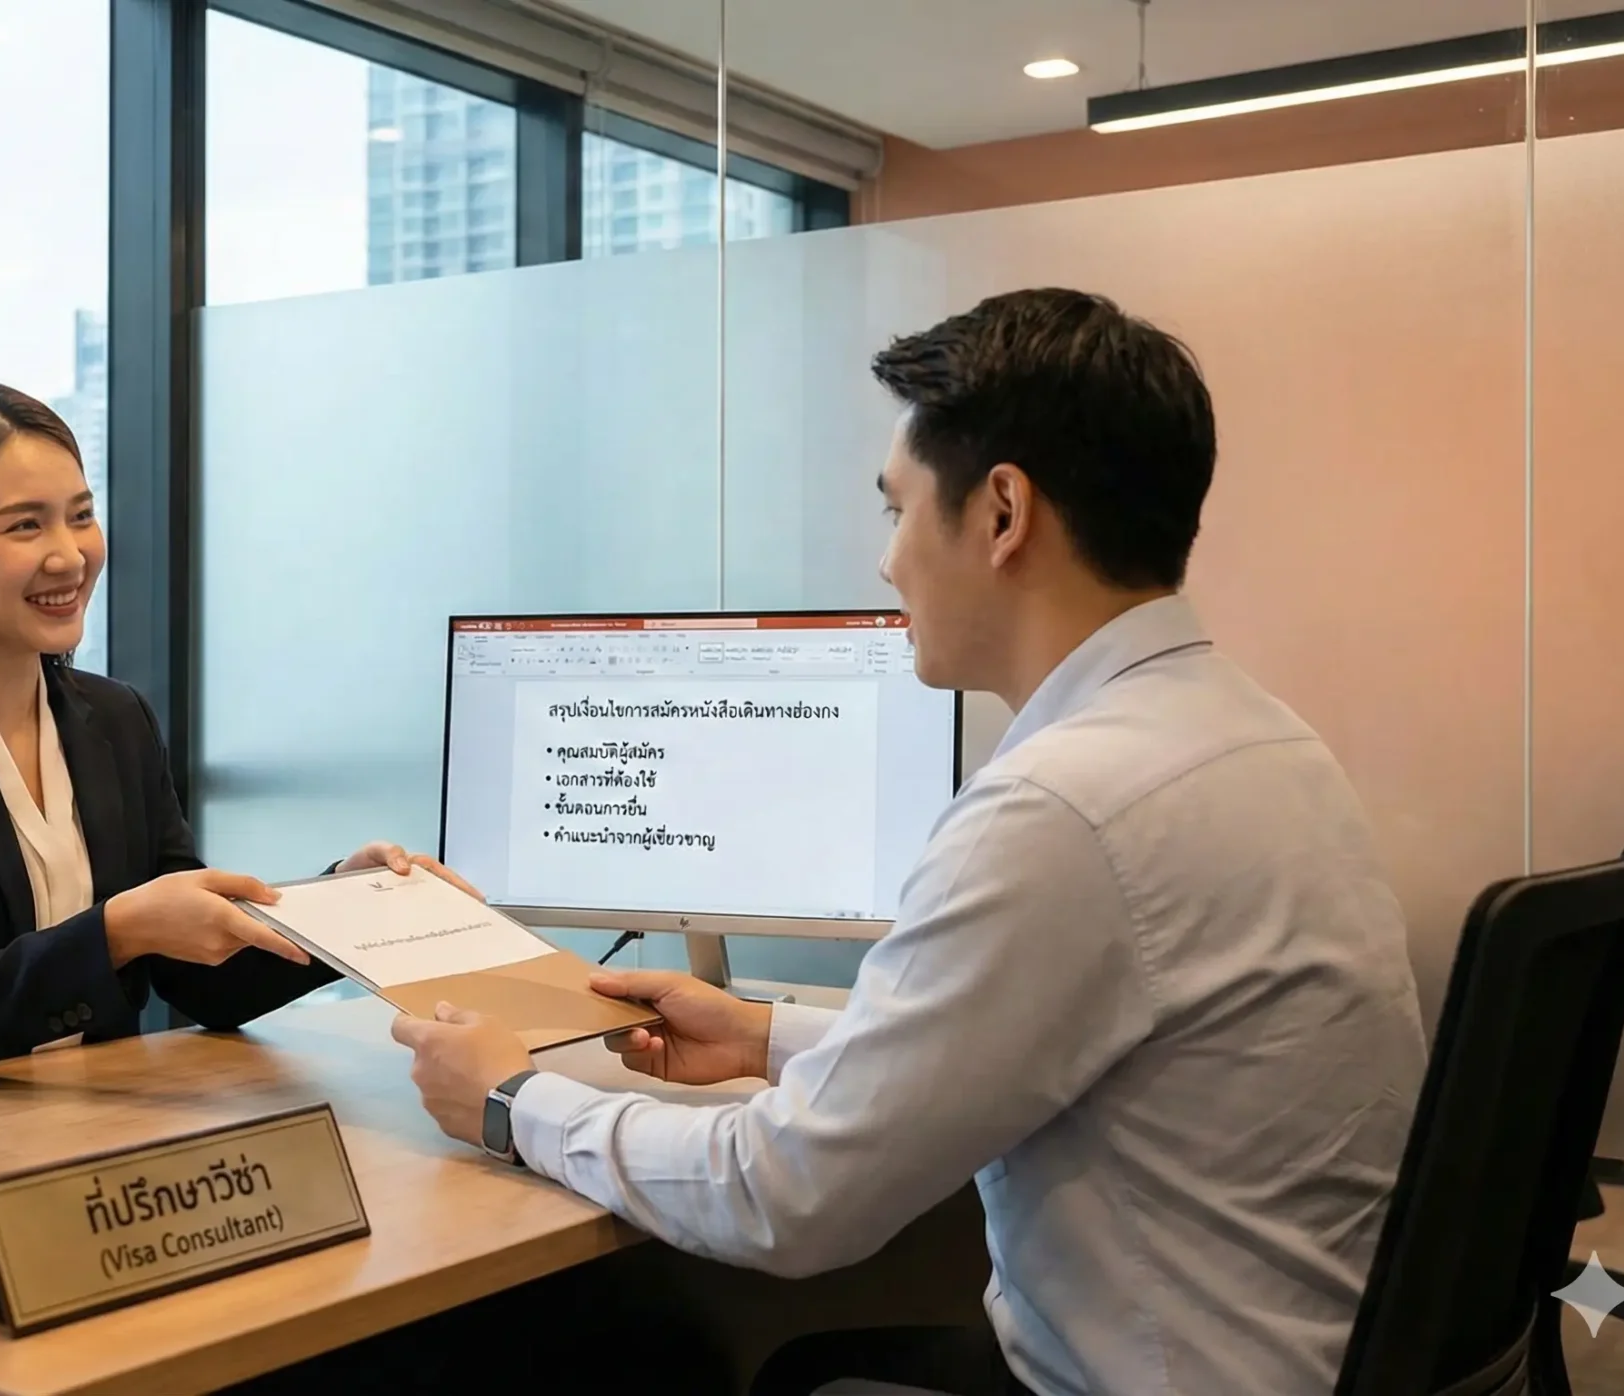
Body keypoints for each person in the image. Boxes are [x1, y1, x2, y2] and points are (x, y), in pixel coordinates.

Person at [392, 290, 1429, 1396]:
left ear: (1000, 513)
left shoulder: (1062, 806)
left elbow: (787, 1198)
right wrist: (761, 1034)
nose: (886, 563)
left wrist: (512, 1103)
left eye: (894, 509)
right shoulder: (1253, 736)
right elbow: (1049, 1033)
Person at [0, 382, 459, 1070]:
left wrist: (347, 909)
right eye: (24, 525)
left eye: (80, 517)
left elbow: (202, 981)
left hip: (88, 1121)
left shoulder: (114, 719)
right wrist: (115, 934)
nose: (69, 556)